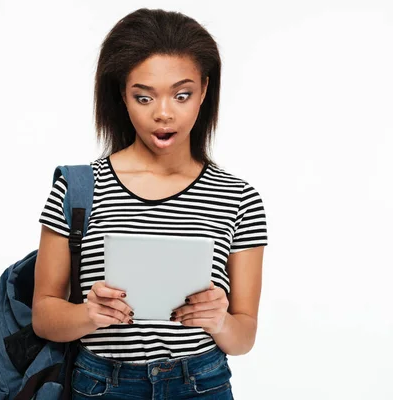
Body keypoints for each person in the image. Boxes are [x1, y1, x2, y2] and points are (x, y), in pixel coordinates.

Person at [32, 8, 268, 400]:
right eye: (144, 96)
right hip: (101, 385)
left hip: (201, 383)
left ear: (204, 91)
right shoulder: (77, 189)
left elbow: (243, 337)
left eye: (182, 94)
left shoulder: (238, 197)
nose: (163, 113)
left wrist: (218, 320)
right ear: (122, 95)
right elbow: (43, 315)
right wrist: (87, 314)